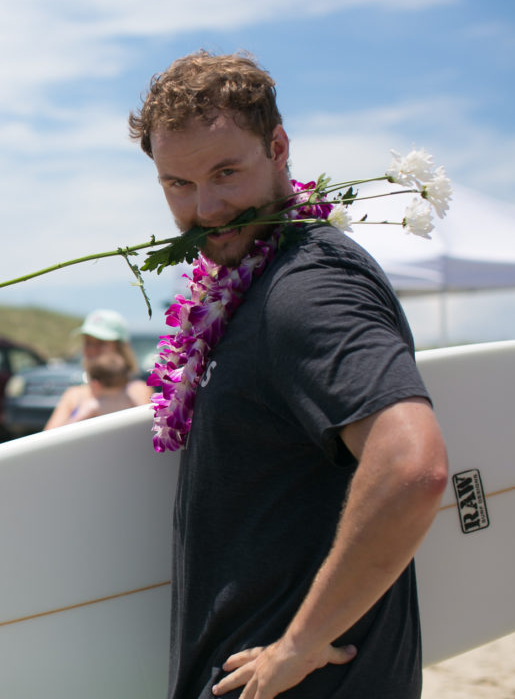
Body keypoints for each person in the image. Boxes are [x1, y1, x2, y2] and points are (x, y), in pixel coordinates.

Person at [128, 51, 449, 699]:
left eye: (226, 172)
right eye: (178, 185)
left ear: (278, 147)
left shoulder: (306, 287)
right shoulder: (249, 284)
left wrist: (298, 643)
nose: (208, 208)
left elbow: (412, 465)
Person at [44, 309, 153, 430]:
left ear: (121, 348)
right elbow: (45, 442)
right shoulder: (73, 395)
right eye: (88, 342)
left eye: (101, 343)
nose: (92, 349)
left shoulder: (138, 390)